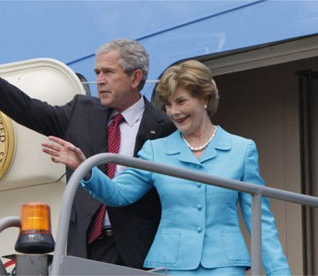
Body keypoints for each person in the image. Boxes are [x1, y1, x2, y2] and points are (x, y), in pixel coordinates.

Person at [0, 14, 176, 268]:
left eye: (108, 72)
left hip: (139, 252)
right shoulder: (81, 111)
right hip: (84, 247)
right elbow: (26, 108)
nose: (99, 80)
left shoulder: (163, 127)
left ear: (135, 78)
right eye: (97, 72)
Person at [42, 60, 291, 275]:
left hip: (224, 265)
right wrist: (85, 168)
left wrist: (280, 272)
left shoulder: (241, 149)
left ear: (204, 98)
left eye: (181, 101)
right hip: (170, 264)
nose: (174, 112)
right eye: (169, 104)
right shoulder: (155, 150)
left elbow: (260, 220)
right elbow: (119, 194)